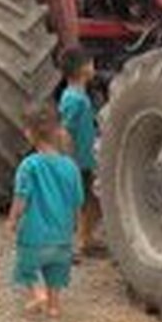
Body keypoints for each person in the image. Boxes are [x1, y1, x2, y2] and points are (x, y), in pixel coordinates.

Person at [8, 103, 84, 318]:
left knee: (26, 267)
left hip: (35, 235)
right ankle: (54, 305)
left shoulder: (29, 165)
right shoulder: (71, 166)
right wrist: (76, 233)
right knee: (56, 273)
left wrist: (13, 220)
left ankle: (37, 293)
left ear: (30, 134)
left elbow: (21, 198)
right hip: (62, 236)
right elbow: (77, 202)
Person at [57, 48, 102, 259]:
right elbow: (65, 131)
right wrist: (68, 160)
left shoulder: (79, 96)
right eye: (91, 63)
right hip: (77, 161)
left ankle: (86, 239)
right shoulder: (74, 99)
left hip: (86, 159)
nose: (94, 68)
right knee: (75, 204)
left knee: (92, 201)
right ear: (84, 69)